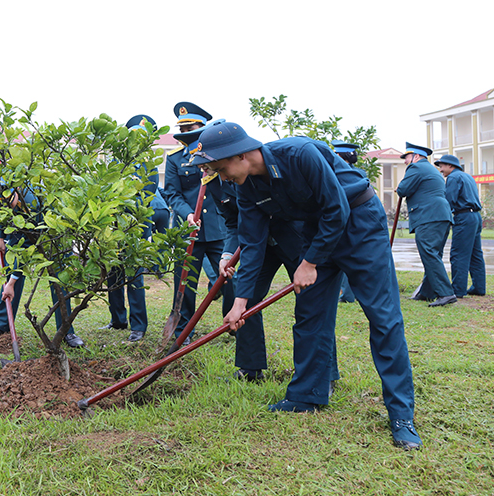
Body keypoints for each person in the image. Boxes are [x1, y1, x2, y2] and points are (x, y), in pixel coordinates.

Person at [191, 121, 421, 451]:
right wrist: (240, 301)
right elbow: (253, 243)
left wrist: (310, 263)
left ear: (241, 155)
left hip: (359, 223)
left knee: (383, 317)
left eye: (220, 167)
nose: (221, 177)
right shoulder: (246, 186)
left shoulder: (300, 154)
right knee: (310, 315)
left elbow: (337, 208)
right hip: (316, 231)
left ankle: (401, 415)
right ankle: (306, 396)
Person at [0, 186, 85, 348]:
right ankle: (1, 325)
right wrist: (0, 238)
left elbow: (27, 250)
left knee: (59, 280)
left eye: (9, 204)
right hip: (22, 229)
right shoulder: (3, 190)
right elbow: (2, 213)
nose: (7, 208)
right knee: (10, 272)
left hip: (52, 234)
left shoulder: (32, 202)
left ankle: (67, 332)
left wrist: (12, 284)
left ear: (15, 194)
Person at [164, 102, 227, 343]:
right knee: (185, 283)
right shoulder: (174, 159)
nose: (183, 132)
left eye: (189, 127)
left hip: (218, 230)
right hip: (189, 229)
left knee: (230, 281)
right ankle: (183, 331)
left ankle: (231, 323)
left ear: (202, 127)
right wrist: (188, 214)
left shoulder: (218, 155)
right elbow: (172, 194)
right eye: (181, 128)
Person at [101, 114, 158, 342]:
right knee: (113, 273)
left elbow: (148, 195)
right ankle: (117, 320)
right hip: (114, 226)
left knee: (134, 276)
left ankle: (139, 325)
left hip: (135, 226)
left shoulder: (149, 165)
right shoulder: (117, 161)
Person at [396, 142, 455, 307]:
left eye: (406, 157)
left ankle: (446, 294)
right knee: (433, 254)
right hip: (440, 215)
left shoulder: (416, 168)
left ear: (415, 156)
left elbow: (403, 189)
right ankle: (427, 292)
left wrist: (399, 187)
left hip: (429, 216)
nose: (405, 162)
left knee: (429, 253)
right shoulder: (431, 170)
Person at [434, 154, 486, 298]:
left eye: (442, 166)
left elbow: (449, 200)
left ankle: (458, 290)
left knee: (458, 254)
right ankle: (479, 287)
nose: (441, 170)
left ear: (450, 166)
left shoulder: (453, 178)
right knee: (476, 254)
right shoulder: (468, 177)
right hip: (475, 216)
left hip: (463, 217)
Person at [331, 140, 367, 304]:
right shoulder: (360, 173)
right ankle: (354, 293)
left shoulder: (334, 173)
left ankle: (346, 294)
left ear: (338, 155)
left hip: (342, 219)